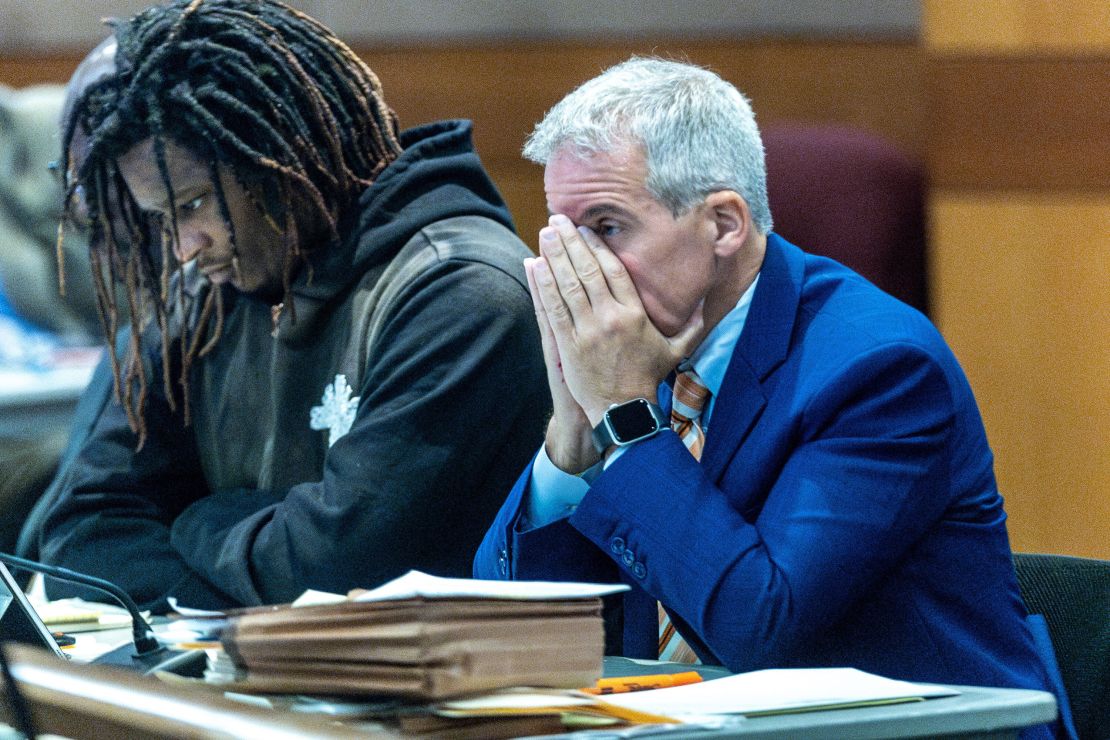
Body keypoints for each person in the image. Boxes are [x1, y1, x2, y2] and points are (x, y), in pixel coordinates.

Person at [474, 57, 1069, 738]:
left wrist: (626, 418)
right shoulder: (644, 347)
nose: (574, 272)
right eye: (561, 233)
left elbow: (759, 627)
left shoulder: (881, 370)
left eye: (606, 228)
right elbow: (507, 633)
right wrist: (572, 435)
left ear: (724, 224)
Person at [35, 0, 548, 613]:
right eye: (162, 219)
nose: (184, 247)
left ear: (279, 155)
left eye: (195, 204)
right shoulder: (208, 290)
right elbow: (79, 543)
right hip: (255, 689)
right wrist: (258, 571)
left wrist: (198, 519)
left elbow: (338, 568)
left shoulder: (461, 292)